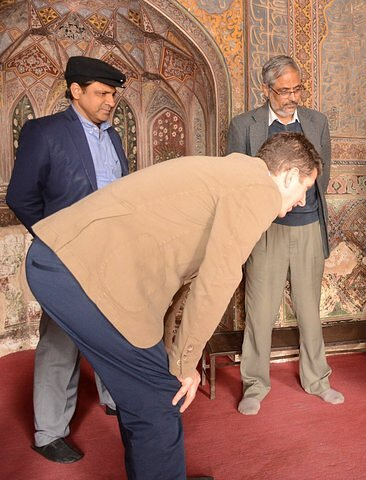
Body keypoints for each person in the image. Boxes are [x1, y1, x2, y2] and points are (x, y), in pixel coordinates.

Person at [24, 132, 321, 480]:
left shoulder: (232, 175)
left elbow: (183, 281)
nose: (302, 201)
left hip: (63, 262)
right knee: (159, 402)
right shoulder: (258, 189)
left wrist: (171, 353)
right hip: (83, 274)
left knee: (146, 395)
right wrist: (184, 365)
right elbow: (218, 280)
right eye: (304, 187)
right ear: (287, 175)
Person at [6, 55, 128, 464]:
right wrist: (56, 241)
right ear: (76, 91)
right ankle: (49, 433)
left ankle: (115, 398)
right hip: (66, 257)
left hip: (112, 253)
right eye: (102, 93)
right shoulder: (45, 132)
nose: (110, 101)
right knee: (60, 342)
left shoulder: (113, 136)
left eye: (113, 94)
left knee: (116, 330)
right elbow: (21, 196)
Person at [226, 55, 343, 415]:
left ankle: (317, 379)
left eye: (297, 89)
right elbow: (238, 178)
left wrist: (301, 201)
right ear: (267, 90)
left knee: (310, 310)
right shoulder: (245, 126)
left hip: (308, 227)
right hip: (267, 230)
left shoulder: (317, 122)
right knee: (260, 311)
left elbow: (322, 173)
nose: (293, 97)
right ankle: (255, 385)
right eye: (284, 90)